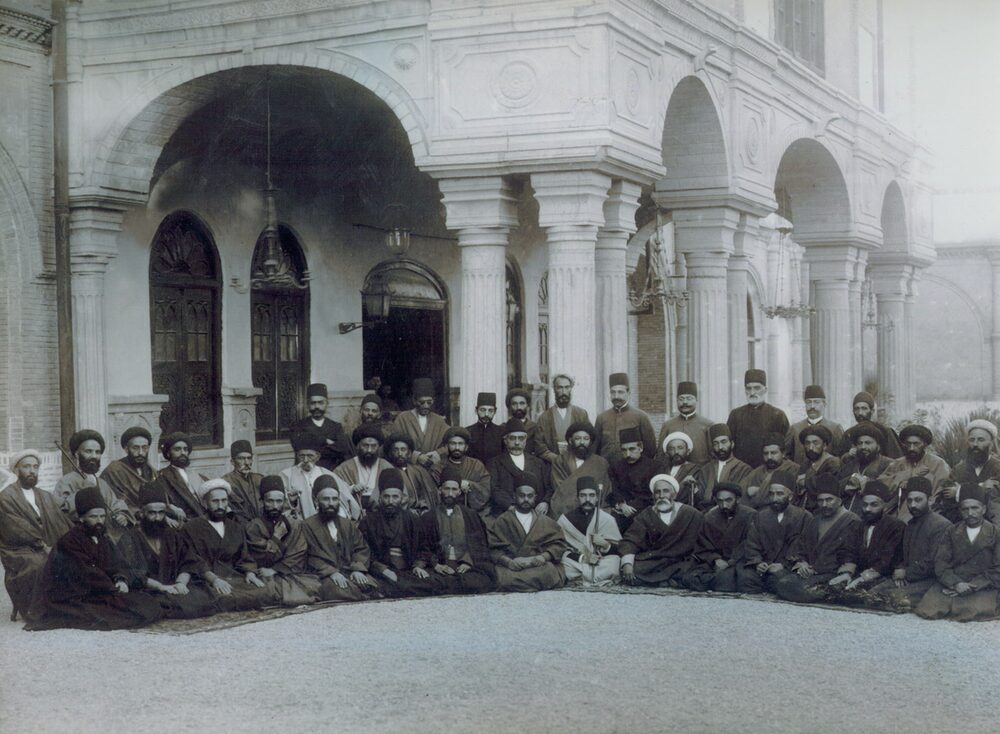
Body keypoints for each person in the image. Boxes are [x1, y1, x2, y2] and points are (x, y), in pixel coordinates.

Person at [24, 487, 164, 631]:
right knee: (127, 612)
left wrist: (120, 579)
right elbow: (88, 573)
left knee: (148, 604)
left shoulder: (101, 536)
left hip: (97, 589)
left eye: (102, 517)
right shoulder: (69, 542)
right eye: (93, 517)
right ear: (81, 518)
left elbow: (115, 562)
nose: (99, 521)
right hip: (71, 597)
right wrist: (113, 590)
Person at [115, 482, 216, 619]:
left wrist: (181, 583)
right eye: (152, 513)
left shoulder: (172, 534)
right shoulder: (130, 538)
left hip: (174, 586)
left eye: (161, 513)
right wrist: (161, 587)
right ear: (142, 512)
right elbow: (132, 574)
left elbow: (189, 561)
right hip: (149, 590)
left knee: (205, 601)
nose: (157, 518)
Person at [182, 479, 278, 611]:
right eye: (215, 501)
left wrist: (249, 573)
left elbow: (244, 556)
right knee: (221, 598)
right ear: (205, 503)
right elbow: (193, 560)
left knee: (264, 592)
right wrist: (214, 580)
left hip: (233, 576)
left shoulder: (235, 527)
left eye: (224, 501)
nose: (221, 506)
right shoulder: (191, 527)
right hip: (205, 580)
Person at [0, 449, 73, 620]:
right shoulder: (6, 497)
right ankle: (37, 611)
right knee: (38, 564)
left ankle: (65, 606)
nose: (32, 471)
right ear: (16, 470)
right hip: (18, 549)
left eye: (35, 467)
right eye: (26, 467)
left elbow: (60, 520)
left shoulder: (45, 496)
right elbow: (15, 528)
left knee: (72, 558)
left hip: (46, 545)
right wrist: (42, 545)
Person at [915, 483, 1000, 622]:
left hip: (982, 584)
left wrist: (974, 585)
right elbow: (941, 563)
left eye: (975, 508)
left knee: (970, 612)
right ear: (960, 511)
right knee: (928, 610)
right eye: (965, 509)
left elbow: (998, 568)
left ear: (984, 509)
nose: (970, 513)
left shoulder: (996, 533)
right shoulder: (951, 531)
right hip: (954, 580)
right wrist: (956, 583)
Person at [771, 475, 861, 604]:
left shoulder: (852, 521)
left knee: (787, 585)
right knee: (778, 579)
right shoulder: (816, 520)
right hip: (810, 572)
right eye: (820, 501)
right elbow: (802, 547)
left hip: (833, 573)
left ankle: (827, 594)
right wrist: (802, 563)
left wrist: (816, 569)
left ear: (840, 501)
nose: (824, 505)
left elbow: (849, 554)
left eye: (829, 500)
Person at [869, 477, 951, 611]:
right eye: (910, 500)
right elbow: (902, 554)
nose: (913, 505)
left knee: (892, 598)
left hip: (930, 580)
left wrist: (906, 573)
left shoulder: (941, 525)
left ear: (930, 500)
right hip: (910, 577)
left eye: (918, 500)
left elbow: (935, 563)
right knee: (873, 593)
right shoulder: (911, 524)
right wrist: (900, 569)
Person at [359, 469, 444, 597]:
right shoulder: (368, 521)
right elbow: (363, 552)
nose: (390, 501)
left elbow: (424, 548)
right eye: (386, 496)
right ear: (380, 497)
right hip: (382, 571)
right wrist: (383, 570)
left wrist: (418, 566)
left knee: (434, 583)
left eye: (395, 497)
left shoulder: (413, 519)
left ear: (402, 497)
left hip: (409, 570)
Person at [416, 464, 496, 594]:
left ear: (459, 492)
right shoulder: (428, 517)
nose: (450, 494)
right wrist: (436, 565)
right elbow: (423, 547)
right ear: (439, 490)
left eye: (454, 489)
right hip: (440, 568)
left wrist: (468, 562)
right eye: (447, 489)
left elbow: (479, 545)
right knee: (424, 582)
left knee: (483, 580)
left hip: (465, 568)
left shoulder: (470, 515)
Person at [244, 476, 321, 606]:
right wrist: (276, 538)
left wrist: (277, 569)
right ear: (262, 501)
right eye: (270, 501)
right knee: (261, 594)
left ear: (284, 501)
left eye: (279, 501)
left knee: (315, 587)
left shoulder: (294, 524)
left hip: (288, 571)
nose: (275, 506)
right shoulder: (254, 526)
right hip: (264, 573)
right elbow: (260, 557)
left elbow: (298, 552)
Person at [300, 481, 381, 602]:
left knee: (370, 583)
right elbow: (309, 556)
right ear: (316, 501)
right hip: (323, 575)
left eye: (334, 499)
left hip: (349, 570)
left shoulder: (347, 524)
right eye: (326, 499)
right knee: (339, 590)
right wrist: (331, 572)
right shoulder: (307, 526)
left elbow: (360, 548)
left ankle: (359, 592)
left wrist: (357, 569)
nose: (331, 503)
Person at [618, 474, 703, 587]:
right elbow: (631, 540)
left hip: (680, 561)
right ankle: (669, 581)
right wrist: (627, 564)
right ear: (653, 495)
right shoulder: (646, 515)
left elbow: (702, 541)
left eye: (666, 491)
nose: (661, 496)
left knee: (692, 570)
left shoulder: (691, 513)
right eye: (657, 492)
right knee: (635, 569)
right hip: (655, 561)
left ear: (675, 494)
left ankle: (663, 581)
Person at [737, 471, 812, 594]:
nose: (775, 498)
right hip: (764, 566)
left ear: (791, 496)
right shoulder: (760, 516)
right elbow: (752, 543)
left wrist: (784, 565)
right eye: (771, 494)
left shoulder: (804, 516)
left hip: (789, 567)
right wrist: (758, 562)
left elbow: (804, 547)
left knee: (783, 581)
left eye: (779, 494)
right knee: (745, 579)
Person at [488, 479, 568, 592]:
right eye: (522, 495)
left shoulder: (545, 521)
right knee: (501, 577)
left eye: (530, 496)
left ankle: (520, 585)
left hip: (538, 565)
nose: (526, 499)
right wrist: (509, 562)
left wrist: (543, 557)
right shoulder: (502, 521)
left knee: (550, 572)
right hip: (513, 567)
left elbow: (559, 544)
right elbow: (493, 548)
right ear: (514, 496)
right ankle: (534, 584)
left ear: (535, 497)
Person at [54, 429, 134, 535]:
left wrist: (121, 515)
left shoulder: (102, 483)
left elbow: (114, 504)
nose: (94, 456)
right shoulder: (66, 482)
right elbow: (60, 513)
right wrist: (83, 490)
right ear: (77, 454)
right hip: (77, 537)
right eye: (88, 451)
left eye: (98, 452)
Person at [832, 481, 904, 599]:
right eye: (865, 504)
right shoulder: (857, 525)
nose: (867, 509)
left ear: (884, 506)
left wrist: (863, 578)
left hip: (882, 575)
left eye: (874, 505)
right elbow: (848, 550)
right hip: (858, 573)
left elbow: (888, 557)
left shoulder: (895, 526)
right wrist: (847, 572)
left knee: (864, 596)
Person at [680, 482, 756, 592]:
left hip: (740, 561)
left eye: (728, 500)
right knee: (689, 578)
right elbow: (703, 544)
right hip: (716, 562)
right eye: (720, 501)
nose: (724, 505)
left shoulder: (750, 515)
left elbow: (750, 543)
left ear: (738, 499)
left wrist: (731, 561)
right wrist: (716, 559)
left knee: (735, 579)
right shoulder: (710, 517)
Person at [876, 424, 950, 522]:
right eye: (908, 444)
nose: (911, 448)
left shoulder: (938, 464)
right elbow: (880, 484)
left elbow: (940, 492)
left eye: (916, 444)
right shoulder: (897, 463)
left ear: (924, 444)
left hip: (926, 515)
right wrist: (905, 476)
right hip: (895, 515)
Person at [557, 476, 621, 586]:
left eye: (591, 495)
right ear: (577, 498)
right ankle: (598, 580)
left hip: (601, 562)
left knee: (614, 562)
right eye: (583, 495)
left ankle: (581, 580)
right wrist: (583, 558)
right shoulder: (565, 520)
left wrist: (606, 545)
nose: (587, 500)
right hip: (578, 563)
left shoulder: (607, 519)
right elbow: (560, 548)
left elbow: (619, 549)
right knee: (563, 562)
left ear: (597, 498)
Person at [281, 433, 361, 521]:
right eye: (302, 456)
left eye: (310, 456)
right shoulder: (286, 475)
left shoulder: (326, 473)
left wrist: (353, 489)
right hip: (301, 523)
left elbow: (343, 491)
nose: (306, 460)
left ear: (318, 456)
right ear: (297, 456)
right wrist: (292, 501)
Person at [935, 419, 1000, 523]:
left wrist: (959, 492)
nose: (975, 444)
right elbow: (946, 495)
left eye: (981, 440)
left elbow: (995, 493)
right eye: (972, 440)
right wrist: (982, 487)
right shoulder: (959, 469)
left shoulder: (998, 467)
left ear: (991, 444)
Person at [487, 418, 552, 520]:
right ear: (505, 440)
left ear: (525, 440)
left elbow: (548, 487)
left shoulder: (538, 463)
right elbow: (494, 489)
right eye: (513, 438)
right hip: (507, 515)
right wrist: (511, 507)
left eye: (521, 438)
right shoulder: (495, 463)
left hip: (536, 515)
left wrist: (545, 502)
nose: (517, 443)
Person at [726, 369, 790, 469]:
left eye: (757, 388)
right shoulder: (735, 415)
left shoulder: (778, 415)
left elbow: (786, 448)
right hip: (740, 471)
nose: (752, 392)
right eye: (749, 388)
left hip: (769, 470)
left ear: (765, 390)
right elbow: (728, 445)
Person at [549, 421, 610, 520]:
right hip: (567, 512)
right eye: (578, 438)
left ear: (590, 441)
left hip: (594, 511)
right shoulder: (560, 461)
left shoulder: (601, 463)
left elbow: (604, 491)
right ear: (570, 440)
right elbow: (561, 491)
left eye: (586, 439)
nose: (582, 442)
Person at [290, 383, 354, 471]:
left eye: (320, 403)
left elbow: (342, 449)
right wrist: (325, 441)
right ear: (307, 404)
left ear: (327, 403)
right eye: (313, 403)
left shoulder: (336, 426)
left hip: (331, 472)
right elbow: (300, 448)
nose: (317, 406)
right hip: (306, 471)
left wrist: (312, 443)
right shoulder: (298, 426)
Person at [607, 426, 662, 531]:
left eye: (632, 449)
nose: (628, 454)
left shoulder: (655, 467)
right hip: (621, 514)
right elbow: (614, 489)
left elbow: (652, 494)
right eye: (624, 450)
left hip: (646, 514)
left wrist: (630, 507)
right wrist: (621, 504)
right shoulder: (615, 467)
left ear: (640, 447)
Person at [594, 373, 656, 463]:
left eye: (620, 392)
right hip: (607, 471)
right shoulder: (601, 418)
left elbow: (650, 449)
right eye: (613, 392)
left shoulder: (641, 417)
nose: (616, 396)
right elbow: (595, 449)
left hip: (632, 470)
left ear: (628, 393)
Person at [390, 377, 450, 470]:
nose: (426, 406)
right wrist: (416, 456)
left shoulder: (439, 420)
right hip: (409, 468)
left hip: (433, 468)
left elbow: (451, 442)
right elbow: (392, 443)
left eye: (429, 402)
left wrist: (438, 453)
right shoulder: (403, 418)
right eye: (422, 402)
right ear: (414, 401)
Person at [333, 423, 394, 513]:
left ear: (379, 447)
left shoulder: (387, 467)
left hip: (381, 515)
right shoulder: (344, 468)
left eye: (373, 446)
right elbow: (333, 489)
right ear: (358, 446)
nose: (369, 450)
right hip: (353, 515)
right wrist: (351, 488)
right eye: (365, 445)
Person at [690, 424, 752, 513]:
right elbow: (700, 498)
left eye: (724, 442)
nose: (720, 447)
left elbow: (741, 499)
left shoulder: (744, 469)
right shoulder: (706, 469)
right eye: (716, 443)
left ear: (732, 444)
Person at [836, 423, 892, 514]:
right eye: (860, 443)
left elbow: (889, 489)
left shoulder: (889, 464)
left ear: (878, 446)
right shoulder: (850, 465)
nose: (863, 447)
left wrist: (865, 482)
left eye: (868, 443)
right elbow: (837, 487)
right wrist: (849, 481)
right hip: (847, 516)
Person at [533, 374, 590, 464]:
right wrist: (557, 459)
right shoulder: (544, 417)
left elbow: (590, 439)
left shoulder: (581, 414)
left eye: (567, 387)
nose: (564, 392)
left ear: (571, 389)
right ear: (554, 389)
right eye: (560, 387)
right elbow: (539, 446)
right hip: (553, 465)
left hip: (578, 463)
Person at [431, 427, 491, 512]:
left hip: (472, 512)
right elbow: (432, 493)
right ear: (446, 446)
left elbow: (486, 489)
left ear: (466, 447)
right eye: (453, 444)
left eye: (460, 444)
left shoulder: (476, 465)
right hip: (444, 511)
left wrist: (470, 485)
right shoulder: (437, 468)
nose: (457, 447)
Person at [100, 426, 157, 512]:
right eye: (135, 448)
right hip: (126, 518)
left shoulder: (152, 471)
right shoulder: (114, 470)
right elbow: (109, 500)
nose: (141, 453)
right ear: (126, 449)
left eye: (144, 448)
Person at [151, 432, 204, 524]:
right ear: (168, 453)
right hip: (185, 520)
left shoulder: (196, 474)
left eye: (185, 449)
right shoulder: (162, 476)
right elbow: (160, 502)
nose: (183, 453)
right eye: (177, 449)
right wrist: (169, 507)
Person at [656, 381, 714, 465]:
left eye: (689, 398)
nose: (685, 402)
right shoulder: (668, 425)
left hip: (700, 474)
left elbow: (713, 455)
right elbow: (661, 455)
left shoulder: (707, 425)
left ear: (696, 400)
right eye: (681, 399)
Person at [784, 385, 844, 465]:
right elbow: (786, 457)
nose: (812, 406)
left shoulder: (835, 428)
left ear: (824, 404)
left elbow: (841, 456)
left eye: (816, 402)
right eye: (808, 402)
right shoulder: (795, 429)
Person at [384, 433, 439, 514]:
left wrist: (424, 508)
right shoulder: (388, 472)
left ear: (409, 453)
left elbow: (427, 494)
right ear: (391, 453)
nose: (399, 453)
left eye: (403, 450)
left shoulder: (419, 471)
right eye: (396, 450)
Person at [742, 433, 800, 510]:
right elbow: (743, 493)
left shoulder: (794, 469)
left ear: (783, 454)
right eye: (766, 453)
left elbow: (792, 498)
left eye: (773, 453)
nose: (769, 457)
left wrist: (758, 491)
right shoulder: (757, 471)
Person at [838, 392, 903, 459]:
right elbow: (840, 458)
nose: (860, 413)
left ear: (872, 411)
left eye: (864, 408)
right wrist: (848, 455)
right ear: (853, 411)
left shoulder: (884, 431)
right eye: (857, 409)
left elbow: (896, 458)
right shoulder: (848, 434)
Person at [793, 425, 841, 511]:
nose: (811, 448)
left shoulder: (833, 463)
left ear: (825, 445)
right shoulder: (806, 464)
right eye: (807, 443)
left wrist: (806, 481)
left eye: (815, 443)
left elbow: (827, 489)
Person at [221, 440, 263, 525]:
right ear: (232, 462)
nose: (247, 463)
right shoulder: (226, 482)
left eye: (249, 458)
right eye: (241, 458)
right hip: (241, 527)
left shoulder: (259, 479)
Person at [465, 391, 504, 466]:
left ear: (495, 412)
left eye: (490, 410)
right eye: (483, 410)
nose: (486, 414)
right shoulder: (467, 432)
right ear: (476, 411)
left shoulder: (501, 432)